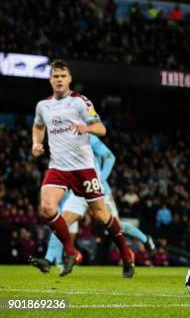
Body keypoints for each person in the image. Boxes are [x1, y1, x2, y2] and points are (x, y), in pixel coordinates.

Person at [30, 59, 135, 277]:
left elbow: (102, 129)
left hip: (84, 168)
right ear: (50, 80)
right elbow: (38, 126)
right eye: (55, 76)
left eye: (62, 76)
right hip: (58, 167)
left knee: (101, 215)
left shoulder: (80, 102)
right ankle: (71, 252)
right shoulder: (43, 105)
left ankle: (126, 254)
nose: (59, 80)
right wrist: (36, 143)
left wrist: (85, 127)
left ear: (69, 79)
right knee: (48, 207)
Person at [30, 135, 155, 273]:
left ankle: (143, 241)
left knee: (116, 226)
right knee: (61, 223)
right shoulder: (62, 138)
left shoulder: (89, 137)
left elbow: (110, 157)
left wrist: (100, 179)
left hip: (97, 189)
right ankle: (48, 260)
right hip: (78, 190)